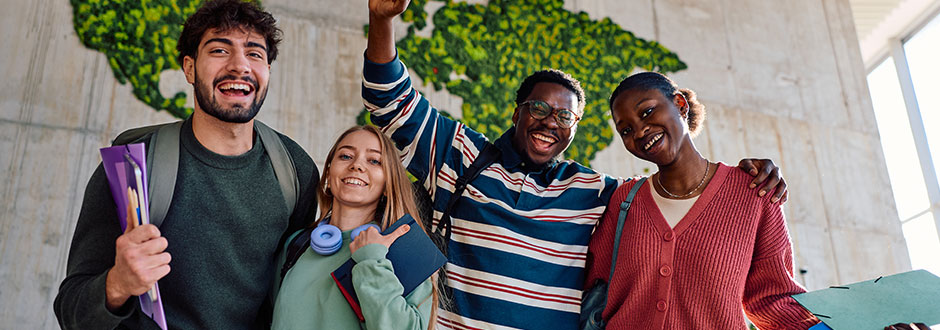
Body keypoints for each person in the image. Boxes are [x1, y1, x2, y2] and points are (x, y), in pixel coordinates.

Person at [364, 0, 788, 328]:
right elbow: (390, 101)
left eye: (565, 116)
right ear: (516, 114)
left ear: (574, 129)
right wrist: (382, 21)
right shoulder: (459, 154)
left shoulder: (597, 191)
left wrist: (747, 176)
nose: (551, 121)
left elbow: (675, 190)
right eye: (538, 108)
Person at [53, 1, 319, 329]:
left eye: (254, 53)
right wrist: (118, 283)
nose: (240, 66)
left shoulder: (295, 171)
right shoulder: (132, 164)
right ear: (189, 68)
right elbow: (71, 312)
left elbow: (292, 293)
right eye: (220, 50)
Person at [584, 72, 817, 329]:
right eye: (626, 129)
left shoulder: (754, 192)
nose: (639, 131)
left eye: (647, 112)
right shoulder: (624, 200)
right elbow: (590, 285)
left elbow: (773, 298)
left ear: (680, 104)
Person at [271, 125, 437, 330]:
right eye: (346, 156)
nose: (357, 165)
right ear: (329, 173)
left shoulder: (402, 253)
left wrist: (371, 260)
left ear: (387, 184)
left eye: (374, 161)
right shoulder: (296, 245)